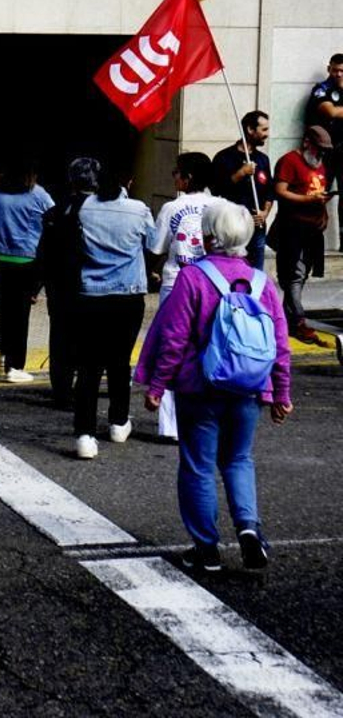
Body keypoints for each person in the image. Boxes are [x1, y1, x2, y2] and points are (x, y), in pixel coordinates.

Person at [133, 202, 292, 574]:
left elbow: (173, 339)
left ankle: (206, 549)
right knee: (238, 459)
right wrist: (280, 394)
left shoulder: (192, 279)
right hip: (248, 389)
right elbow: (280, 345)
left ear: (207, 236)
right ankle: (249, 530)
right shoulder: (261, 283)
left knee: (198, 466)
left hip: (199, 389)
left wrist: (157, 386)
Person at [69, 162, 151, 460]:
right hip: (128, 294)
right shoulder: (139, 209)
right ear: (127, 179)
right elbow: (153, 244)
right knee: (119, 360)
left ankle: (85, 435)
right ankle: (118, 421)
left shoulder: (85, 207)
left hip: (90, 293)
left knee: (88, 365)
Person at [147, 151, 218, 440]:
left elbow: (156, 248)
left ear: (188, 177)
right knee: (206, 348)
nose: (173, 177)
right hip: (211, 285)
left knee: (169, 349)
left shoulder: (171, 208)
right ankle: (204, 418)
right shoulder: (220, 206)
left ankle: (171, 426)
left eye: (177, 172)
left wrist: (151, 272)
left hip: (175, 284)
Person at [0, 156, 53, 384]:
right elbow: (54, 218)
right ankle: (14, 365)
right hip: (27, 261)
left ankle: (3, 348)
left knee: (5, 303)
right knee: (21, 313)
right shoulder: (38, 194)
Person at [37, 159, 97, 411]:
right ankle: (84, 387)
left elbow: (44, 253)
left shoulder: (56, 212)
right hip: (92, 284)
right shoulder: (105, 211)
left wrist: (36, 284)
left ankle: (61, 390)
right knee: (89, 338)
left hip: (60, 285)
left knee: (61, 337)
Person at [271, 125, 333, 345]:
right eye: (318, 148)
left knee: (300, 276)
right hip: (292, 228)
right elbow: (280, 191)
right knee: (294, 276)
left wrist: (323, 211)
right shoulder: (290, 161)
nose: (320, 153)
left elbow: (319, 192)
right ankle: (298, 319)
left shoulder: (320, 164)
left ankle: (287, 318)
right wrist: (309, 201)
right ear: (307, 142)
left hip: (312, 230)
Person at [211, 111, 274, 271]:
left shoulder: (263, 159)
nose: (267, 134)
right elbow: (216, 189)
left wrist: (265, 212)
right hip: (232, 227)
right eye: (264, 130)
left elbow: (269, 192)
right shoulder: (224, 157)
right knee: (232, 269)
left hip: (256, 226)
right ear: (250, 130)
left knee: (256, 271)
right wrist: (241, 173)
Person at [304, 52, 343, 177]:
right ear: (329, 69)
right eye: (335, 70)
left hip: (341, 147)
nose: (339, 74)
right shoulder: (321, 89)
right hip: (323, 148)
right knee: (320, 186)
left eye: (342, 71)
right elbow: (331, 112)